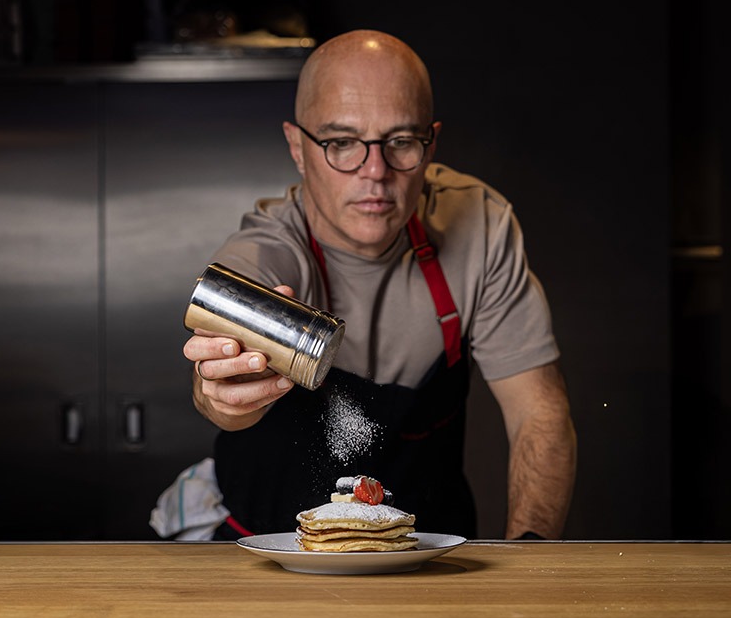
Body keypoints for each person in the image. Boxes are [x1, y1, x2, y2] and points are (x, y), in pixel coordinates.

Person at [181, 29, 577, 541]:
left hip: (431, 560)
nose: (375, 172)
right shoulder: (268, 251)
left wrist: (531, 565)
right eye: (341, 143)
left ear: (430, 143)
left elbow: (538, 413)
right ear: (298, 148)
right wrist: (223, 392)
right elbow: (216, 390)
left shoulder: (479, 226)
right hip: (269, 562)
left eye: (400, 142)